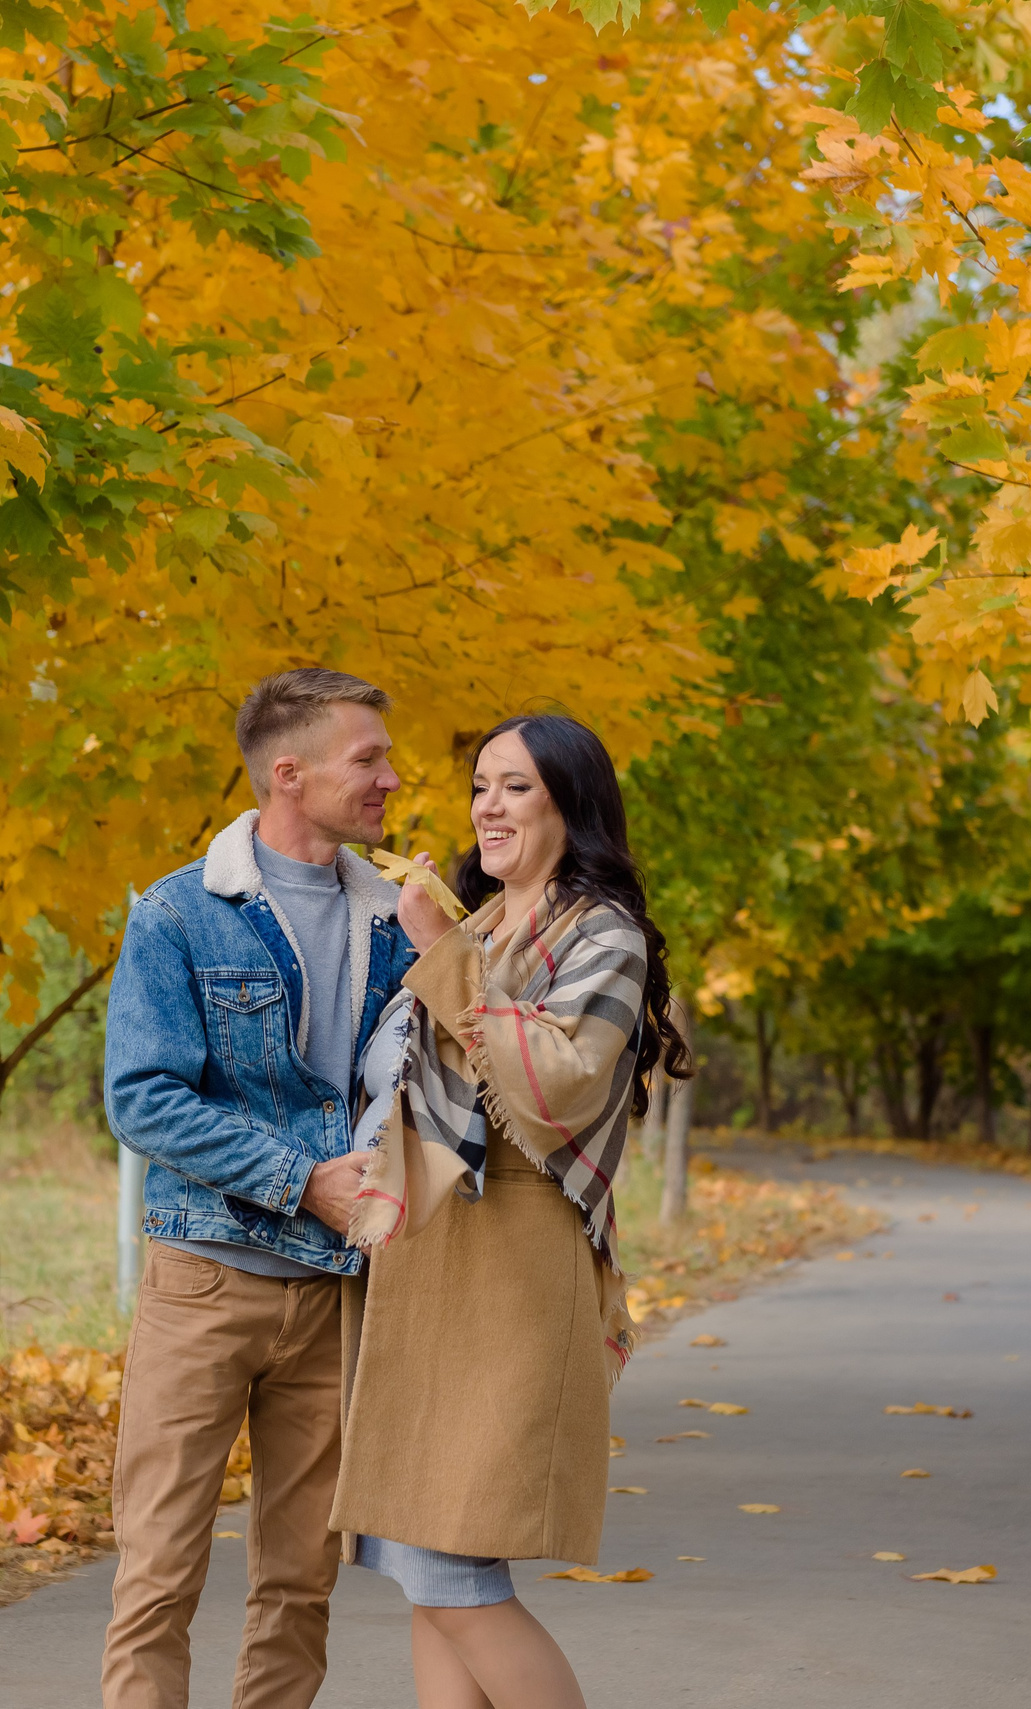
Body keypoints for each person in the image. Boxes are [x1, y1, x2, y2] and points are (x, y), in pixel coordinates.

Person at [329, 713, 692, 1709]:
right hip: (427, 1265)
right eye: (481, 784)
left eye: (516, 786)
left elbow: (554, 1089)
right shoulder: (482, 923)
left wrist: (441, 954)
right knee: (418, 1563)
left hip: (513, 1273)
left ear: (571, 804)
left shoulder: (599, 935)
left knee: (450, 1570)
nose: (488, 805)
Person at [99, 668, 415, 1709]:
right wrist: (299, 1181)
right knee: (158, 1570)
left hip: (334, 1293)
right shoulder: (183, 913)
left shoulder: (400, 921)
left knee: (299, 1581)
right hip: (205, 1282)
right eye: (366, 757)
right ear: (290, 772)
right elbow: (142, 1100)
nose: (390, 776)